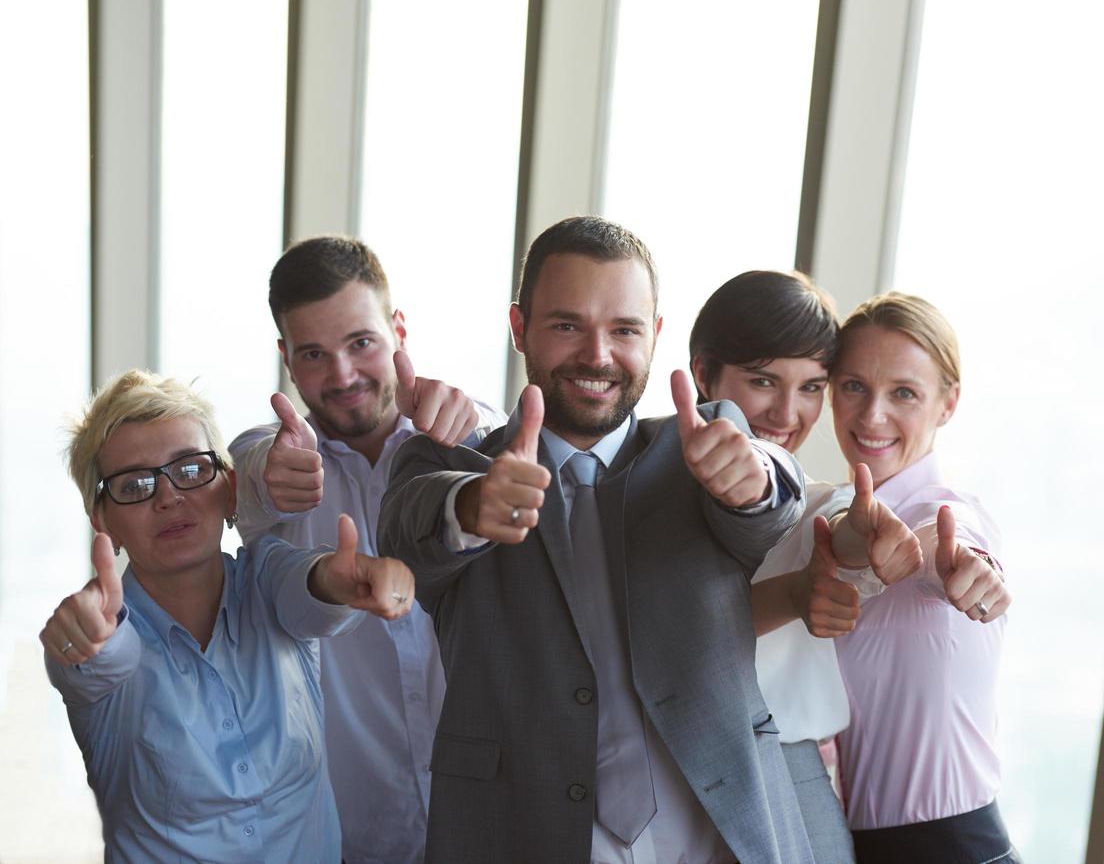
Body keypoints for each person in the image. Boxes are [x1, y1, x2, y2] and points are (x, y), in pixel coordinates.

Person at [379, 217, 816, 863]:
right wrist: (473, 506)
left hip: (718, 834)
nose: (598, 355)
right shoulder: (457, 465)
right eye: (566, 325)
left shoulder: (702, 444)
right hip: (521, 833)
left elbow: (774, 492)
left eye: (624, 330)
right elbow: (412, 524)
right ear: (519, 327)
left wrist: (754, 481)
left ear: (655, 335)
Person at [694, 277, 1015, 863]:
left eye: (904, 394)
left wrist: (972, 570)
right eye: (853, 386)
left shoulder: (943, 512)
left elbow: (943, 547)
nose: (873, 414)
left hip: (955, 846)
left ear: (949, 403)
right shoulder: (820, 517)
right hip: (860, 841)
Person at [42, 369, 416, 862]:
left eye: (191, 470)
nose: (169, 496)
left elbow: (311, 589)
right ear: (102, 519)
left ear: (231, 489)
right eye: (135, 484)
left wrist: (351, 578)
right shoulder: (107, 631)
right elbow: (97, 661)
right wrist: (80, 637)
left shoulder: (267, 577)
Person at [229, 235, 502, 864]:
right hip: (354, 835)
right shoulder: (275, 461)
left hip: (490, 826)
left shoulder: (472, 433)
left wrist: (479, 436)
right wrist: (268, 472)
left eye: (361, 343)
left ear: (398, 328)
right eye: (315, 355)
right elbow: (243, 474)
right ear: (286, 360)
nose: (343, 375)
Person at [688, 270, 923, 864]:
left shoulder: (815, 501)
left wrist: (864, 537)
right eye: (763, 381)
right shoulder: (635, 492)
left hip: (789, 767)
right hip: (663, 768)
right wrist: (795, 594)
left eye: (812, 387)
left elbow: (839, 528)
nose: (787, 413)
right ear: (702, 373)